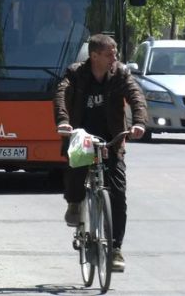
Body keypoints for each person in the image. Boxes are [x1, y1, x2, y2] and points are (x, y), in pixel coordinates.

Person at [54, 34, 148, 273]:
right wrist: (64, 121)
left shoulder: (121, 74)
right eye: (109, 53)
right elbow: (61, 95)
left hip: (111, 139)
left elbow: (136, 96)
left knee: (118, 193)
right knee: (76, 172)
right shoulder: (76, 73)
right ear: (94, 56)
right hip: (82, 136)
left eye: (115, 52)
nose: (114, 57)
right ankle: (75, 203)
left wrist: (138, 122)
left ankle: (115, 248)